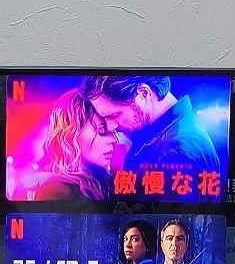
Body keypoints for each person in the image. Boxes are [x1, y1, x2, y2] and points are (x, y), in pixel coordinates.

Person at [79, 75, 222, 193]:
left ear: (143, 93)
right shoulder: (161, 136)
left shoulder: (176, 153)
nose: (110, 127)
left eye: (114, 115)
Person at [34, 87, 114, 201]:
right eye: (102, 130)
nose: (113, 139)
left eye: (113, 132)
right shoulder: (56, 191)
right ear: (72, 134)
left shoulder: (102, 183)